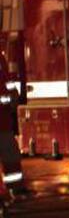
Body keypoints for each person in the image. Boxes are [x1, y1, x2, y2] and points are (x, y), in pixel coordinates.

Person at [0, 47, 24, 199]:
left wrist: (13, 94)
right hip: (3, 119)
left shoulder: (0, 57)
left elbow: (7, 81)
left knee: (11, 157)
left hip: (4, 120)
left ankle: (14, 189)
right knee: (10, 155)